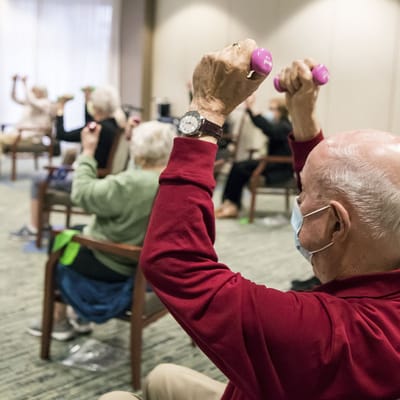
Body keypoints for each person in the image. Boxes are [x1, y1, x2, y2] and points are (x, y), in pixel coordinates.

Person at [100, 39, 400, 399]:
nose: (298, 201)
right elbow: (338, 194)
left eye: (302, 197)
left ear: (337, 224)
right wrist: (303, 118)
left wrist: (205, 113)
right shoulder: (382, 272)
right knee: (161, 378)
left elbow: (174, 263)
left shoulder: (329, 335)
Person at [27, 120, 176, 339]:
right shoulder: (174, 181)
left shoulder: (130, 183)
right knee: (76, 228)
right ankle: (79, 315)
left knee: (58, 240)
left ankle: (59, 320)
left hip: (115, 262)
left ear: (139, 151)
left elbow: (83, 194)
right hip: (150, 264)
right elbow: (138, 180)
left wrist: (87, 152)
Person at [11, 85, 125, 239]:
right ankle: (41, 225)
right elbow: (89, 121)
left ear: (96, 106)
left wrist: (60, 109)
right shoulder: (113, 126)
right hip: (100, 177)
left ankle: (35, 228)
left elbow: (62, 134)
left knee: (38, 178)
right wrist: (85, 102)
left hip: (86, 178)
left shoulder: (97, 129)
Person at [215, 94, 293, 219]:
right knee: (238, 166)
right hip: (272, 163)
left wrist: (252, 109)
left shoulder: (284, 126)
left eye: (273, 109)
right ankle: (230, 203)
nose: (270, 112)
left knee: (240, 168)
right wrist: (251, 110)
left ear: (281, 111)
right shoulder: (281, 124)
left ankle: (232, 204)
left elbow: (268, 129)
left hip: (279, 167)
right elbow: (266, 127)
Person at [0, 75, 54, 155]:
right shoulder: (31, 103)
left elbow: (32, 101)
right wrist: (14, 83)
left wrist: (24, 84)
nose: (33, 93)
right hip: (20, 133)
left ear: (42, 92)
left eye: (35, 91)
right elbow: (14, 98)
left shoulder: (45, 103)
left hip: (30, 135)